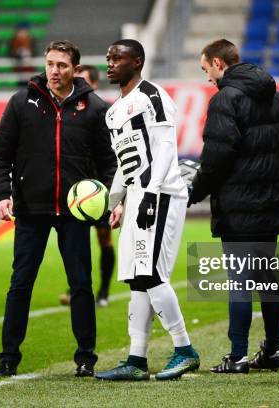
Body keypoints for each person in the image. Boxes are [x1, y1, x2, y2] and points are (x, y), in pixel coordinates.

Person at [0, 40, 116, 378]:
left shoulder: (94, 107)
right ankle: (8, 357)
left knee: (81, 285)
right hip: (31, 209)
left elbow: (109, 164)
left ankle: (86, 357)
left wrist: (113, 203)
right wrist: (1, 194)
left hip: (75, 213)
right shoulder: (21, 103)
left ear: (75, 68)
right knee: (21, 284)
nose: (55, 71)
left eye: (62, 65)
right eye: (51, 64)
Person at [94, 39, 200, 381]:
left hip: (162, 192)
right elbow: (125, 166)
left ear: (136, 61)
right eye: (109, 58)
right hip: (138, 194)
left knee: (151, 273)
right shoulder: (113, 112)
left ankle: (184, 349)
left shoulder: (153, 95)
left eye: (116, 58)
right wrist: (115, 202)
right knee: (136, 278)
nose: (110, 63)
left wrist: (152, 193)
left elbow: (167, 147)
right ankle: (136, 360)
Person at [188, 39, 279, 374]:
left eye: (206, 69)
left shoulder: (225, 99)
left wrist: (195, 190)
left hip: (238, 206)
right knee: (267, 277)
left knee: (240, 280)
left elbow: (217, 156)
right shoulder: (275, 97)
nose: (207, 78)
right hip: (270, 204)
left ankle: (237, 356)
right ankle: (274, 351)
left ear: (219, 63)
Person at [59, 64, 115, 308]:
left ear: (93, 85)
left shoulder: (104, 112)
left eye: (82, 81)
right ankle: (77, 289)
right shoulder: (67, 113)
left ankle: (103, 291)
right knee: (76, 241)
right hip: (76, 187)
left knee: (104, 238)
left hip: (99, 188)